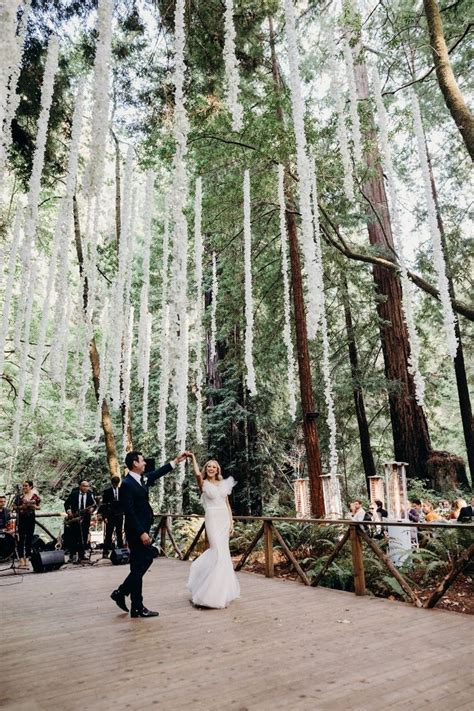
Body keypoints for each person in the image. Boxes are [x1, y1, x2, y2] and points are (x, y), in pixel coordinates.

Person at [110, 450, 189, 618]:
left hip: (143, 529)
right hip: (136, 532)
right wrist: (141, 533)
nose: (145, 463)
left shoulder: (141, 479)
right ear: (134, 464)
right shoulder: (127, 484)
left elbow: (158, 473)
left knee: (139, 565)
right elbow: (129, 513)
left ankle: (128, 598)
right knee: (141, 563)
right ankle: (130, 600)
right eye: (142, 461)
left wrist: (176, 461)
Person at [187, 453, 240, 609]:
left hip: (224, 517)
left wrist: (231, 523)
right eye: (208, 466)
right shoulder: (202, 483)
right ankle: (201, 579)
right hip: (212, 517)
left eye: (214, 467)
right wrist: (192, 457)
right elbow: (197, 473)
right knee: (215, 549)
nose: (211, 468)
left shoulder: (223, 483)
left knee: (223, 553)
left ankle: (221, 592)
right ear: (206, 469)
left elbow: (227, 504)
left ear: (217, 470)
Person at [64, 480, 96, 562]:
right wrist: (69, 512)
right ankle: (73, 555)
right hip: (75, 517)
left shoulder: (90, 495)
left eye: (87, 486)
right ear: (80, 486)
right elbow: (66, 504)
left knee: (84, 536)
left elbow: (94, 505)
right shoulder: (74, 494)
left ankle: (82, 555)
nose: (86, 488)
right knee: (74, 536)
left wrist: (92, 509)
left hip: (85, 518)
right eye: (84, 486)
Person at [13, 481, 41, 569]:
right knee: (20, 538)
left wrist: (33, 506)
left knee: (29, 537)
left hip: (31, 518)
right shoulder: (19, 496)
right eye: (23, 486)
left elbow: (39, 506)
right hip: (21, 518)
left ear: (31, 487)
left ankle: (27, 557)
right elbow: (14, 507)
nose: (24, 487)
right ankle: (21, 558)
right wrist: (22, 507)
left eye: (26, 486)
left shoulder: (35, 496)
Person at [99, 476, 124, 558]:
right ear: (112, 483)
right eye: (114, 484)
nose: (116, 485)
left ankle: (121, 549)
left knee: (119, 533)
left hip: (119, 515)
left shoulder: (121, 491)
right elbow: (104, 506)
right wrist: (104, 517)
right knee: (108, 534)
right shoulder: (107, 492)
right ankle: (105, 551)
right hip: (110, 516)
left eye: (117, 484)